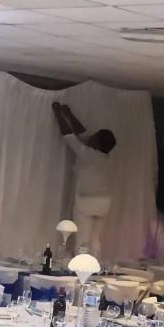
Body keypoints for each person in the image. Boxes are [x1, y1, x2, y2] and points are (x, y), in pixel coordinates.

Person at [52, 101, 116, 255]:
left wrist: (58, 113)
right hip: (104, 204)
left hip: (86, 202)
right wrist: (70, 115)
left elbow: (70, 137)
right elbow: (83, 135)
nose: (91, 136)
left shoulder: (88, 155)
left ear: (97, 142)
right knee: (95, 239)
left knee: (83, 241)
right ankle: (95, 267)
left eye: (95, 136)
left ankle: (81, 270)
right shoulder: (106, 158)